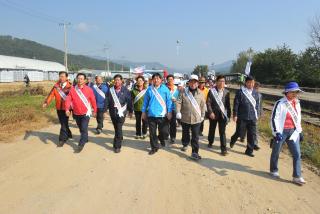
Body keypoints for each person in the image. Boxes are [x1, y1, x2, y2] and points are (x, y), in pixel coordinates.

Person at [270, 82, 306, 185]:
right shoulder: (280, 103)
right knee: (276, 152)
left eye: (296, 92)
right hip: (281, 132)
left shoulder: (297, 103)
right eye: (293, 92)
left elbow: (298, 118)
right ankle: (274, 170)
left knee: (297, 154)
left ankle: (297, 176)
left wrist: (300, 131)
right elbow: (274, 119)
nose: (295, 94)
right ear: (287, 92)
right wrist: (276, 132)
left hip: (293, 131)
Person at [176, 75, 206, 160]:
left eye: (195, 82)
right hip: (185, 117)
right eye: (191, 82)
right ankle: (185, 144)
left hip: (196, 119)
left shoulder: (200, 93)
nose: (193, 84)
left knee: (195, 136)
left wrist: (203, 115)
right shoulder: (183, 92)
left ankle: (194, 152)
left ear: (197, 83)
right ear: (188, 82)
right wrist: (178, 112)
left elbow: (203, 105)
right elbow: (178, 102)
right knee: (185, 134)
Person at [141, 73, 172, 155]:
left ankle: (161, 139)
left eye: (158, 78)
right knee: (152, 133)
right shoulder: (149, 90)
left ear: (161, 80)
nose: (156, 80)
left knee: (164, 132)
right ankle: (154, 147)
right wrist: (143, 112)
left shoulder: (165, 89)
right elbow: (145, 102)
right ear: (152, 80)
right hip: (151, 115)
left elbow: (169, 101)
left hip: (162, 115)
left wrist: (169, 111)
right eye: (154, 78)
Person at [65, 73, 97, 153]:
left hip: (86, 113)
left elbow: (93, 100)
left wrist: (95, 110)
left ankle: (81, 144)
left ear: (85, 80)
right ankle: (85, 138)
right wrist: (67, 109)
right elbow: (68, 99)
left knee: (83, 128)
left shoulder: (89, 89)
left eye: (81, 78)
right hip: (76, 113)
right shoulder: (73, 89)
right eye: (78, 78)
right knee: (81, 128)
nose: (79, 80)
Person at [229, 76, 259, 157]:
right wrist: (235, 114)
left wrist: (257, 115)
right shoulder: (240, 92)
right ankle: (233, 139)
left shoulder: (256, 93)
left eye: (252, 82)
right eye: (249, 82)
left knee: (251, 134)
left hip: (252, 117)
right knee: (240, 132)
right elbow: (236, 104)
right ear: (246, 83)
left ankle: (249, 150)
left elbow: (257, 105)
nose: (251, 84)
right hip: (242, 116)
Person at [43, 71, 72, 147]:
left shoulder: (70, 86)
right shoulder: (56, 86)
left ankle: (62, 139)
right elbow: (51, 95)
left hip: (67, 108)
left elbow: (73, 98)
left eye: (63, 76)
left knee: (63, 123)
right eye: (60, 76)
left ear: (66, 77)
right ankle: (68, 133)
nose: (61, 78)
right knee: (63, 122)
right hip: (59, 107)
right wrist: (46, 102)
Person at [106, 74, 133, 153]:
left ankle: (117, 146)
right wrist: (105, 110)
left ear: (121, 81)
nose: (117, 81)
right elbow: (107, 100)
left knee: (119, 126)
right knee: (116, 127)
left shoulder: (126, 90)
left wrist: (130, 111)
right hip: (112, 111)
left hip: (121, 112)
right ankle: (120, 136)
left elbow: (129, 101)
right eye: (116, 80)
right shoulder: (110, 90)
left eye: (118, 80)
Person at [206, 75, 231, 155]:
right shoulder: (211, 91)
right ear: (216, 82)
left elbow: (228, 105)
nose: (221, 83)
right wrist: (210, 112)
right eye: (220, 81)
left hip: (223, 115)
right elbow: (208, 103)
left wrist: (229, 116)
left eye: (223, 81)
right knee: (212, 129)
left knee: (222, 132)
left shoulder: (227, 92)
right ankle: (210, 141)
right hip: (213, 114)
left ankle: (223, 149)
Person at [166, 74, 180, 143]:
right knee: (165, 123)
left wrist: (176, 100)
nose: (170, 81)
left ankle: (173, 137)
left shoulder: (177, 89)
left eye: (171, 79)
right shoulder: (164, 88)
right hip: (165, 108)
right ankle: (165, 135)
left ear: (173, 80)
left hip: (174, 108)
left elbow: (180, 99)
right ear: (167, 80)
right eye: (169, 79)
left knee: (173, 124)